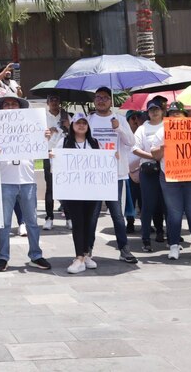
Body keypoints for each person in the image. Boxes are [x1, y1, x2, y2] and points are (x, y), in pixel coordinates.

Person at [0, 95, 53, 272]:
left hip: (27, 180)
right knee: (3, 223)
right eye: (7, 104)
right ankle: (3, 257)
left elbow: (41, 149)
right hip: (4, 181)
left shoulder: (31, 127)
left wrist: (45, 137)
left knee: (32, 221)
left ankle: (36, 254)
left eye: (14, 104)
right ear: (1, 108)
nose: (11, 107)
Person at [150, 102, 191, 261]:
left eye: (178, 113)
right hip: (170, 177)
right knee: (174, 214)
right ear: (168, 115)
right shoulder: (162, 131)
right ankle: (173, 245)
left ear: (185, 115)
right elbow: (154, 154)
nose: (175, 115)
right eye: (172, 112)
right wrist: (162, 148)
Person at [87, 87, 137, 263]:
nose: (101, 100)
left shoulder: (120, 120)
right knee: (91, 215)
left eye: (105, 98)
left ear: (111, 101)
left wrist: (119, 129)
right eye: (98, 97)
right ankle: (87, 251)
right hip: (94, 175)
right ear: (94, 100)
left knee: (117, 214)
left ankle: (124, 250)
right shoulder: (89, 120)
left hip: (115, 175)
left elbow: (131, 142)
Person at [62, 113, 104, 274]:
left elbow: (102, 162)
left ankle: (86, 254)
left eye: (84, 123)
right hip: (73, 190)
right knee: (78, 222)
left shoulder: (94, 143)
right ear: (72, 126)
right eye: (78, 123)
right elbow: (55, 161)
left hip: (91, 190)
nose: (81, 126)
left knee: (89, 223)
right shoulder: (65, 142)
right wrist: (53, 156)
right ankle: (78, 257)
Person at [131, 100, 167, 253]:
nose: (154, 112)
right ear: (147, 112)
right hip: (148, 170)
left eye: (157, 109)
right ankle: (146, 238)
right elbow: (135, 149)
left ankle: (166, 234)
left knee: (167, 205)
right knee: (148, 205)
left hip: (167, 170)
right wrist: (153, 157)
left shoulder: (169, 125)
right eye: (151, 110)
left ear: (162, 110)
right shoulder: (141, 129)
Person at [42, 95, 64, 230]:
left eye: (56, 100)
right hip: (48, 153)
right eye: (51, 100)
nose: (54, 102)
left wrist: (63, 128)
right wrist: (48, 132)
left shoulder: (67, 116)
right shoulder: (42, 117)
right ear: (47, 102)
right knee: (50, 187)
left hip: (63, 154)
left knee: (65, 187)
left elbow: (74, 133)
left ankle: (69, 217)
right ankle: (49, 217)